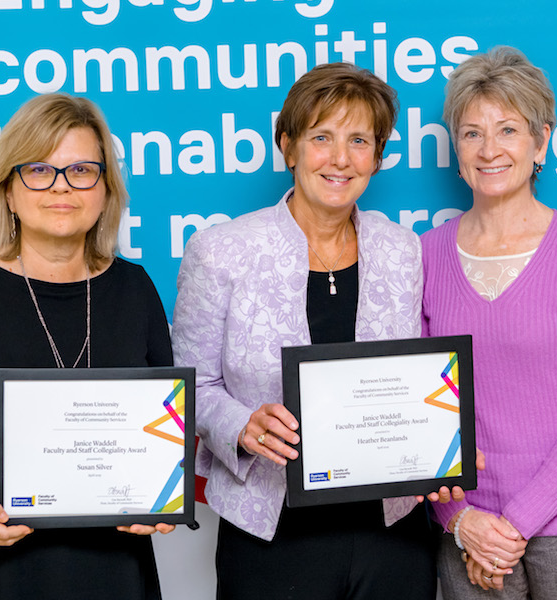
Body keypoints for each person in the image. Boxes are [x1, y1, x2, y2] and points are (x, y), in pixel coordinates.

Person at [172, 62, 461, 599]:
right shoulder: (221, 251)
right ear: (288, 145)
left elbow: (423, 381)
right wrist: (241, 424)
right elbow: (191, 387)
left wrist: (441, 449)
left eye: (359, 140)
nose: (340, 159)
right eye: (321, 137)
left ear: (377, 156)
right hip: (270, 529)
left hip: (391, 530)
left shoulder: (402, 249)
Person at [0, 93, 175, 600]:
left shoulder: (136, 289)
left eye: (83, 170)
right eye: (39, 169)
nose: (62, 186)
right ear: (8, 190)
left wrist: (156, 497)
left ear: (106, 190)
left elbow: (166, 420)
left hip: (107, 570)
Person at [422, 47, 557, 599]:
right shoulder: (423, 258)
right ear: (456, 149)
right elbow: (419, 415)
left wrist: (511, 527)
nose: (489, 150)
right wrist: (463, 523)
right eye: (471, 133)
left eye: (508, 129)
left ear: (540, 142)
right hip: (468, 528)